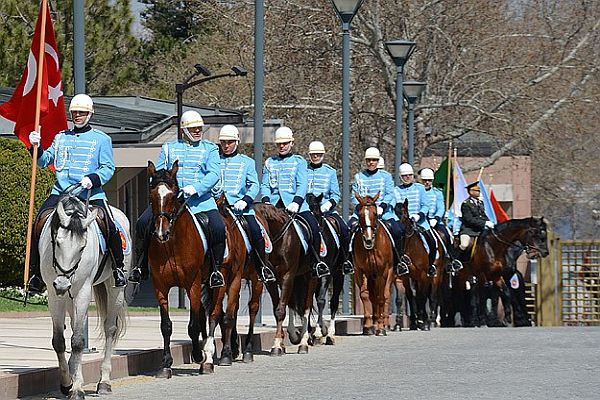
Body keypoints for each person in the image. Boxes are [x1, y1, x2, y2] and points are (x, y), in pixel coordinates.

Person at [27, 94, 126, 292]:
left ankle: (118, 268)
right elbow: (45, 161)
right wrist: (35, 147)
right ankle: (36, 273)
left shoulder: (101, 139)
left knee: (109, 224)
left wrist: (93, 178)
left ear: (90, 114)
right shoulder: (61, 137)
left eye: (82, 113)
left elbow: (108, 167)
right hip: (62, 193)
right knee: (38, 224)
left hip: (91, 194)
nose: (78, 116)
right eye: (75, 113)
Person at [131, 110, 226, 288]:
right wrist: (164, 185)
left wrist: (196, 188)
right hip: (170, 202)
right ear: (184, 129)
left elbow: (214, 174)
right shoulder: (169, 147)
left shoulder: (210, 148)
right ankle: (140, 266)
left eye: (199, 128)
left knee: (218, 227)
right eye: (193, 128)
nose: (197, 131)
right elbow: (158, 173)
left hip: (201, 202)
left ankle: (215, 271)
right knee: (142, 223)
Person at [260, 127, 329, 278]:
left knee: (314, 228)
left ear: (291, 143)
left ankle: (317, 263)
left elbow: (302, 184)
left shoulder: (299, 161)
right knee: (259, 231)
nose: (282, 146)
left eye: (285, 143)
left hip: (296, 205)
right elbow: (265, 185)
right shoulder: (270, 162)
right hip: (274, 207)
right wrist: (266, 202)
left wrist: (297, 202)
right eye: (279, 144)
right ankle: (260, 266)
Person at [216, 124, 275, 283]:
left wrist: (245, 200)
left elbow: (254, 184)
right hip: (218, 208)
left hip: (240, 208)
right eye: (223, 142)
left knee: (256, 231)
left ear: (237, 142)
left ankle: (262, 266)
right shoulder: (214, 160)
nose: (226, 145)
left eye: (230, 142)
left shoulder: (247, 162)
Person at [350, 147, 408, 276]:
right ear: (365, 161)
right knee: (348, 229)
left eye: (374, 160)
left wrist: (381, 206)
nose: (371, 163)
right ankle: (348, 261)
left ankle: (400, 261)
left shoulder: (386, 176)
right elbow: (354, 196)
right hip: (363, 213)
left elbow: (389, 193)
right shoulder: (358, 177)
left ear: (378, 161)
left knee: (398, 230)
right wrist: (362, 206)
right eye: (369, 160)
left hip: (384, 212)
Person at [306, 141, 353, 275]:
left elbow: (335, 194)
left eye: (318, 154)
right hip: (306, 209)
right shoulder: (303, 170)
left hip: (325, 211)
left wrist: (327, 205)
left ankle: (345, 261)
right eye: (313, 154)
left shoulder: (330, 171)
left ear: (323, 155)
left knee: (344, 229)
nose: (316, 156)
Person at [394, 163, 437, 277]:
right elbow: (397, 206)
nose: (407, 177)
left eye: (409, 175)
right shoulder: (396, 190)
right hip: (403, 223)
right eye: (404, 176)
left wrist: (419, 215)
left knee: (432, 241)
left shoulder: (420, 188)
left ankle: (430, 265)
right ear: (401, 177)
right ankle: (398, 264)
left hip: (420, 221)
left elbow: (425, 206)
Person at [419, 168, 463, 272]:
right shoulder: (417, 191)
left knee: (448, 235)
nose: (427, 182)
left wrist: (436, 218)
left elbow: (441, 208)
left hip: (435, 221)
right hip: (421, 221)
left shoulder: (437, 193)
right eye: (424, 180)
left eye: (429, 180)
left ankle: (451, 260)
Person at [458, 181, 495, 260]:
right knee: (464, 245)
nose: (479, 192)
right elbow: (469, 219)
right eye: (477, 191)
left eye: (479, 190)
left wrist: (489, 222)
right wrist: (484, 223)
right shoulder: (466, 204)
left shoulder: (480, 203)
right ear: (471, 192)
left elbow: (483, 215)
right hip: (468, 230)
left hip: (480, 230)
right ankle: (457, 260)